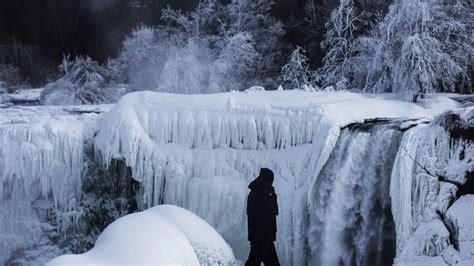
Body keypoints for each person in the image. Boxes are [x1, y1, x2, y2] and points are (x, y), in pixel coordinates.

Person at [245, 168, 280, 266]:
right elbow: (270, 212)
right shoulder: (262, 191)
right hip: (262, 236)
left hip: (262, 236)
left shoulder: (257, 190)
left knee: (271, 263)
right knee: (254, 261)